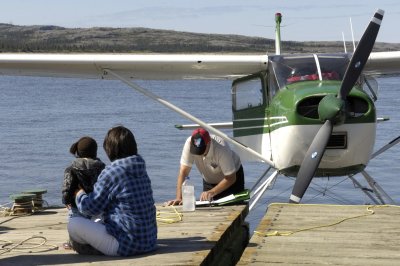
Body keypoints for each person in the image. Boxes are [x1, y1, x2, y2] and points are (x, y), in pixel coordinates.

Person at [68, 126, 157, 256]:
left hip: (125, 245)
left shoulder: (112, 171)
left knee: (74, 224)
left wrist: (79, 194)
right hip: (149, 241)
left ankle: (93, 249)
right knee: (98, 220)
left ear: (111, 149)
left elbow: (90, 208)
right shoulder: (141, 168)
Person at [167, 128, 244, 205]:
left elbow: (231, 177)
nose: (199, 153)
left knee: (235, 209)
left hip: (232, 181)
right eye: (196, 150)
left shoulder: (221, 148)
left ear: (209, 142)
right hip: (209, 181)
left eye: (202, 150)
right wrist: (179, 198)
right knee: (208, 210)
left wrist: (212, 192)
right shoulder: (189, 143)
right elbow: (184, 171)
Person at [62, 136, 105, 218]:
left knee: (76, 228)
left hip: (77, 208)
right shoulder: (102, 168)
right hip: (97, 208)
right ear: (95, 152)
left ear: (78, 152)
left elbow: (66, 191)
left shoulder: (71, 169)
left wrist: (66, 201)